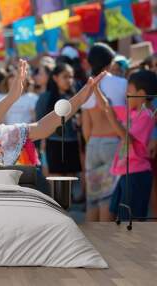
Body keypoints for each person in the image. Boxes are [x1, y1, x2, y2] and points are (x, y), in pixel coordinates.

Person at [94, 70, 157, 220]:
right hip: (127, 173)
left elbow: (127, 139)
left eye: (129, 90)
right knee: (120, 217)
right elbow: (107, 107)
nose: (125, 94)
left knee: (131, 221)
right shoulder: (134, 112)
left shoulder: (146, 115)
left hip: (137, 175)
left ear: (140, 94)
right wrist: (95, 88)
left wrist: (110, 115)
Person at [82, 43, 127, 222]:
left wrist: (89, 144)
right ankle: (105, 245)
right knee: (108, 198)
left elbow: (86, 126)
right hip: (112, 143)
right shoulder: (122, 83)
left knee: (92, 199)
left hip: (93, 143)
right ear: (110, 62)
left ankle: (90, 244)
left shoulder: (86, 86)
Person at [35, 63, 82, 176]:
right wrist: (42, 144)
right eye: (65, 77)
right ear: (55, 78)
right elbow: (39, 122)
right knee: (54, 181)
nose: (69, 80)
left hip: (72, 142)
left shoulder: (75, 98)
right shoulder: (45, 97)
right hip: (52, 143)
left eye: (71, 77)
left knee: (70, 181)